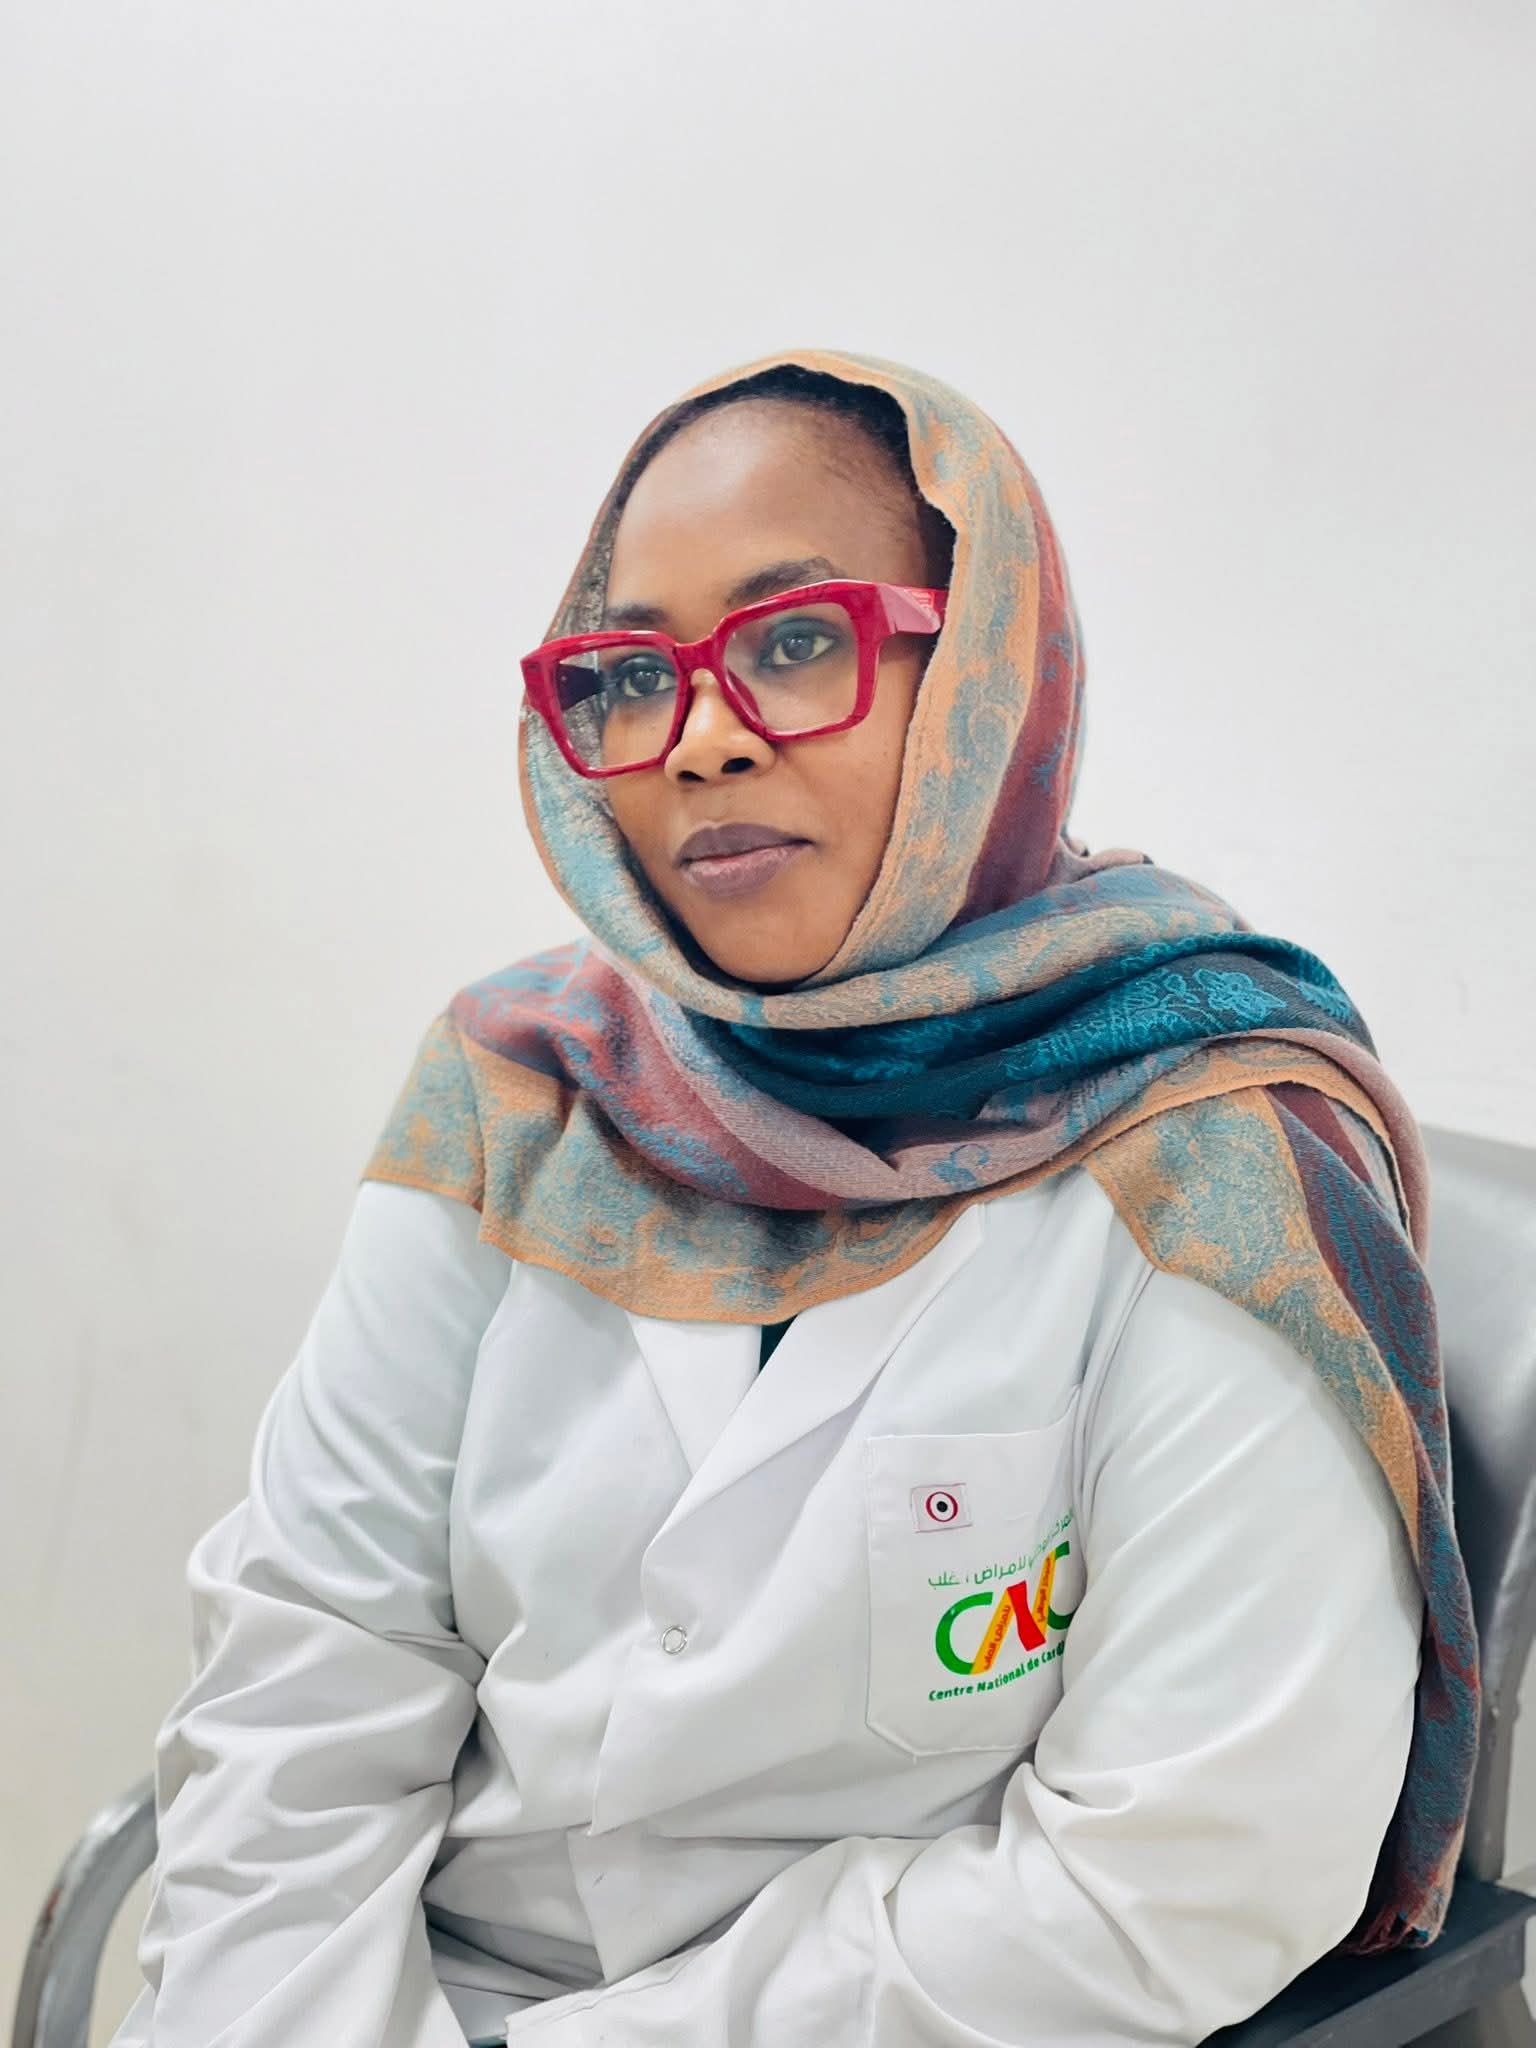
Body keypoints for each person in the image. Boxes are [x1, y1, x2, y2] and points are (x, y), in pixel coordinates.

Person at [110, 348, 1478, 2048]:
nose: (698, 740)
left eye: (795, 642)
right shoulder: (518, 1086)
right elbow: (315, 1665)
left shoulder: (1214, 1163)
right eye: (632, 675)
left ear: (980, 671)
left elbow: (1186, 1866)